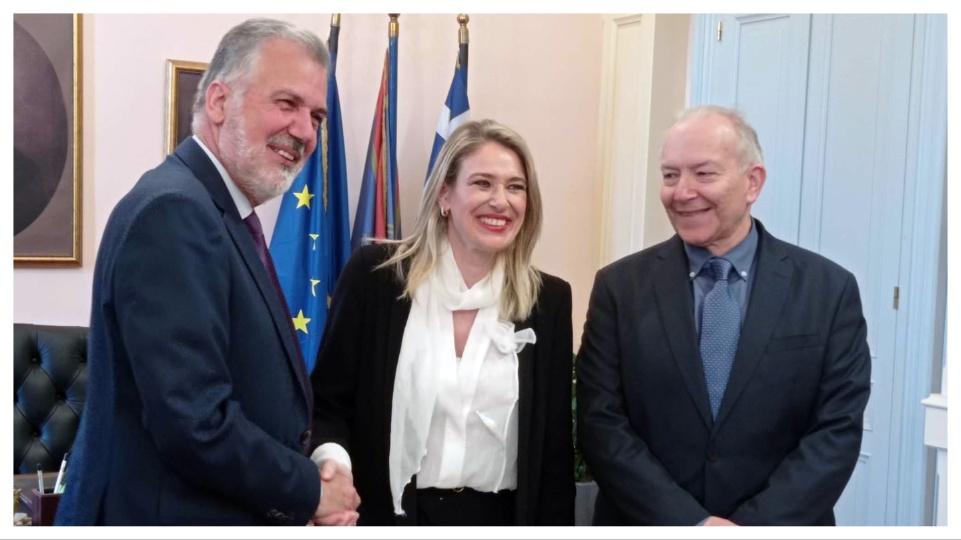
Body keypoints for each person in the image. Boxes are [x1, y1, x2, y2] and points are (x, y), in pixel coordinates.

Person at [55, 19, 359, 525]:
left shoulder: (216, 211)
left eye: (316, 116)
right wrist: (309, 491)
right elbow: (193, 423)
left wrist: (314, 469)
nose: (306, 132)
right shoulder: (174, 212)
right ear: (219, 101)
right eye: (286, 103)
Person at [576, 106, 871, 526]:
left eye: (704, 174)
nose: (682, 192)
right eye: (670, 175)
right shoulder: (619, 288)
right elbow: (601, 423)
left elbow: (836, 431)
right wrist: (691, 524)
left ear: (753, 182)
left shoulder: (828, 290)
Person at [308, 119, 575, 525]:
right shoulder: (376, 278)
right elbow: (328, 405)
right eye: (483, 183)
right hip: (389, 517)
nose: (501, 201)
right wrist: (334, 467)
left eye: (515, 187)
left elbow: (553, 452)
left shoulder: (548, 301)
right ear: (445, 195)